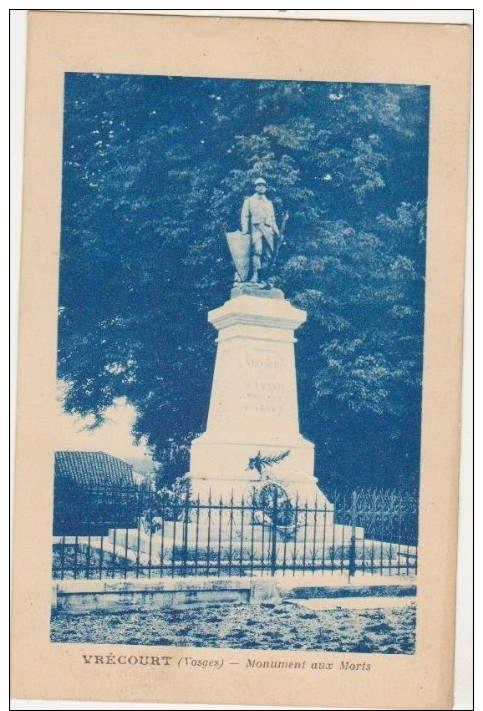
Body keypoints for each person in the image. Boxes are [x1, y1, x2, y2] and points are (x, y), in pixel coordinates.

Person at [240, 177, 280, 285]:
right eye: (259, 185)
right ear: (255, 187)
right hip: (256, 229)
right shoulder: (249, 201)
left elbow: (272, 219)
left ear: (266, 188)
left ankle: (263, 277)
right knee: (257, 250)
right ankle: (255, 275)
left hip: (268, 230)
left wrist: (277, 231)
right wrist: (245, 229)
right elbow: (245, 216)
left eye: (263, 185)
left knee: (268, 255)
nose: (261, 187)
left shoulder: (269, 203)